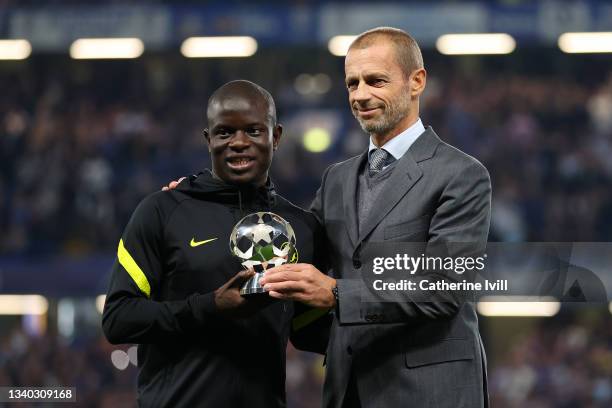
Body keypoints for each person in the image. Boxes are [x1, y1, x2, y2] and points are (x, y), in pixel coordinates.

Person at [260, 27, 492, 407]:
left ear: (416, 82)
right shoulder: (337, 178)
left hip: (430, 393)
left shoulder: (461, 174)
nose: (361, 95)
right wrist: (206, 196)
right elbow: (295, 242)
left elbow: (444, 288)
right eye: (352, 84)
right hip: (349, 388)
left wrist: (336, 293)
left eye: (375, 81)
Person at [102, 80, 329, 408]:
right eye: (225, 133)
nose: (238, 143)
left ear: (275, 136)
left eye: (253, 131)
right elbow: (118, 319)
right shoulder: (161, 211)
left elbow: (309, 330)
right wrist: (210, 307)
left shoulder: (302, 228)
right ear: (208, 140)